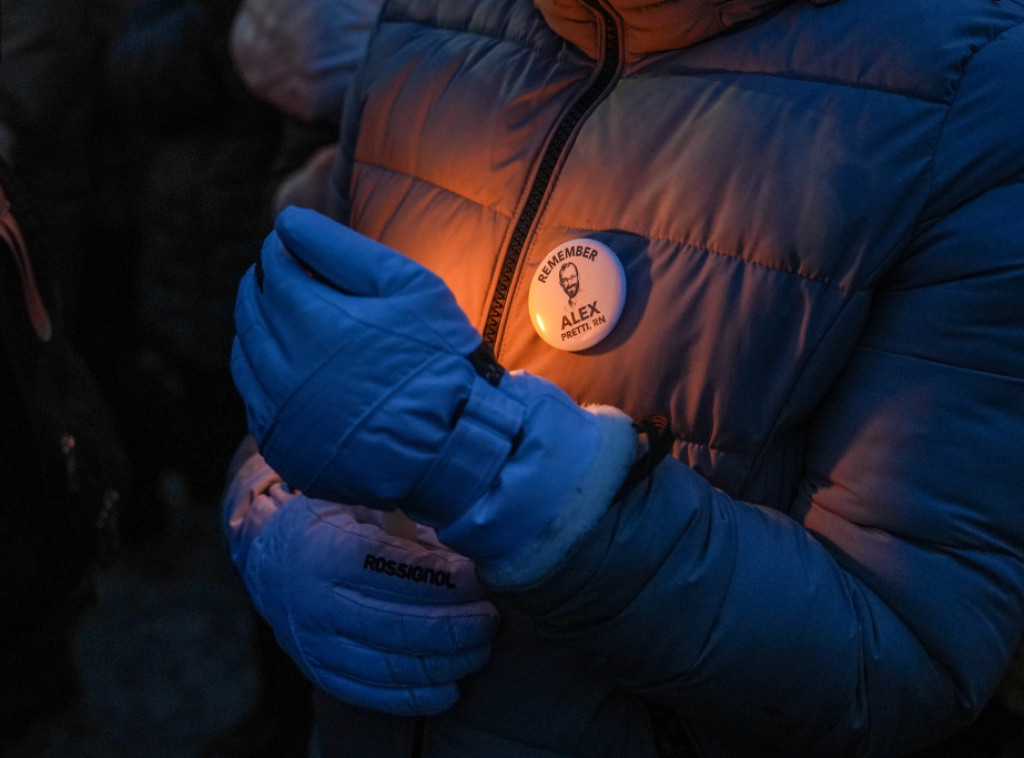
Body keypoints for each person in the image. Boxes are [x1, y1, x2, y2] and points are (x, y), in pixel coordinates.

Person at [222, 0, 1024, 755]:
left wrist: (531, 488)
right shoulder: (424, 22)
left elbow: (905, 660)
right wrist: (274, 520)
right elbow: (325, 372)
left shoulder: (969, 88)